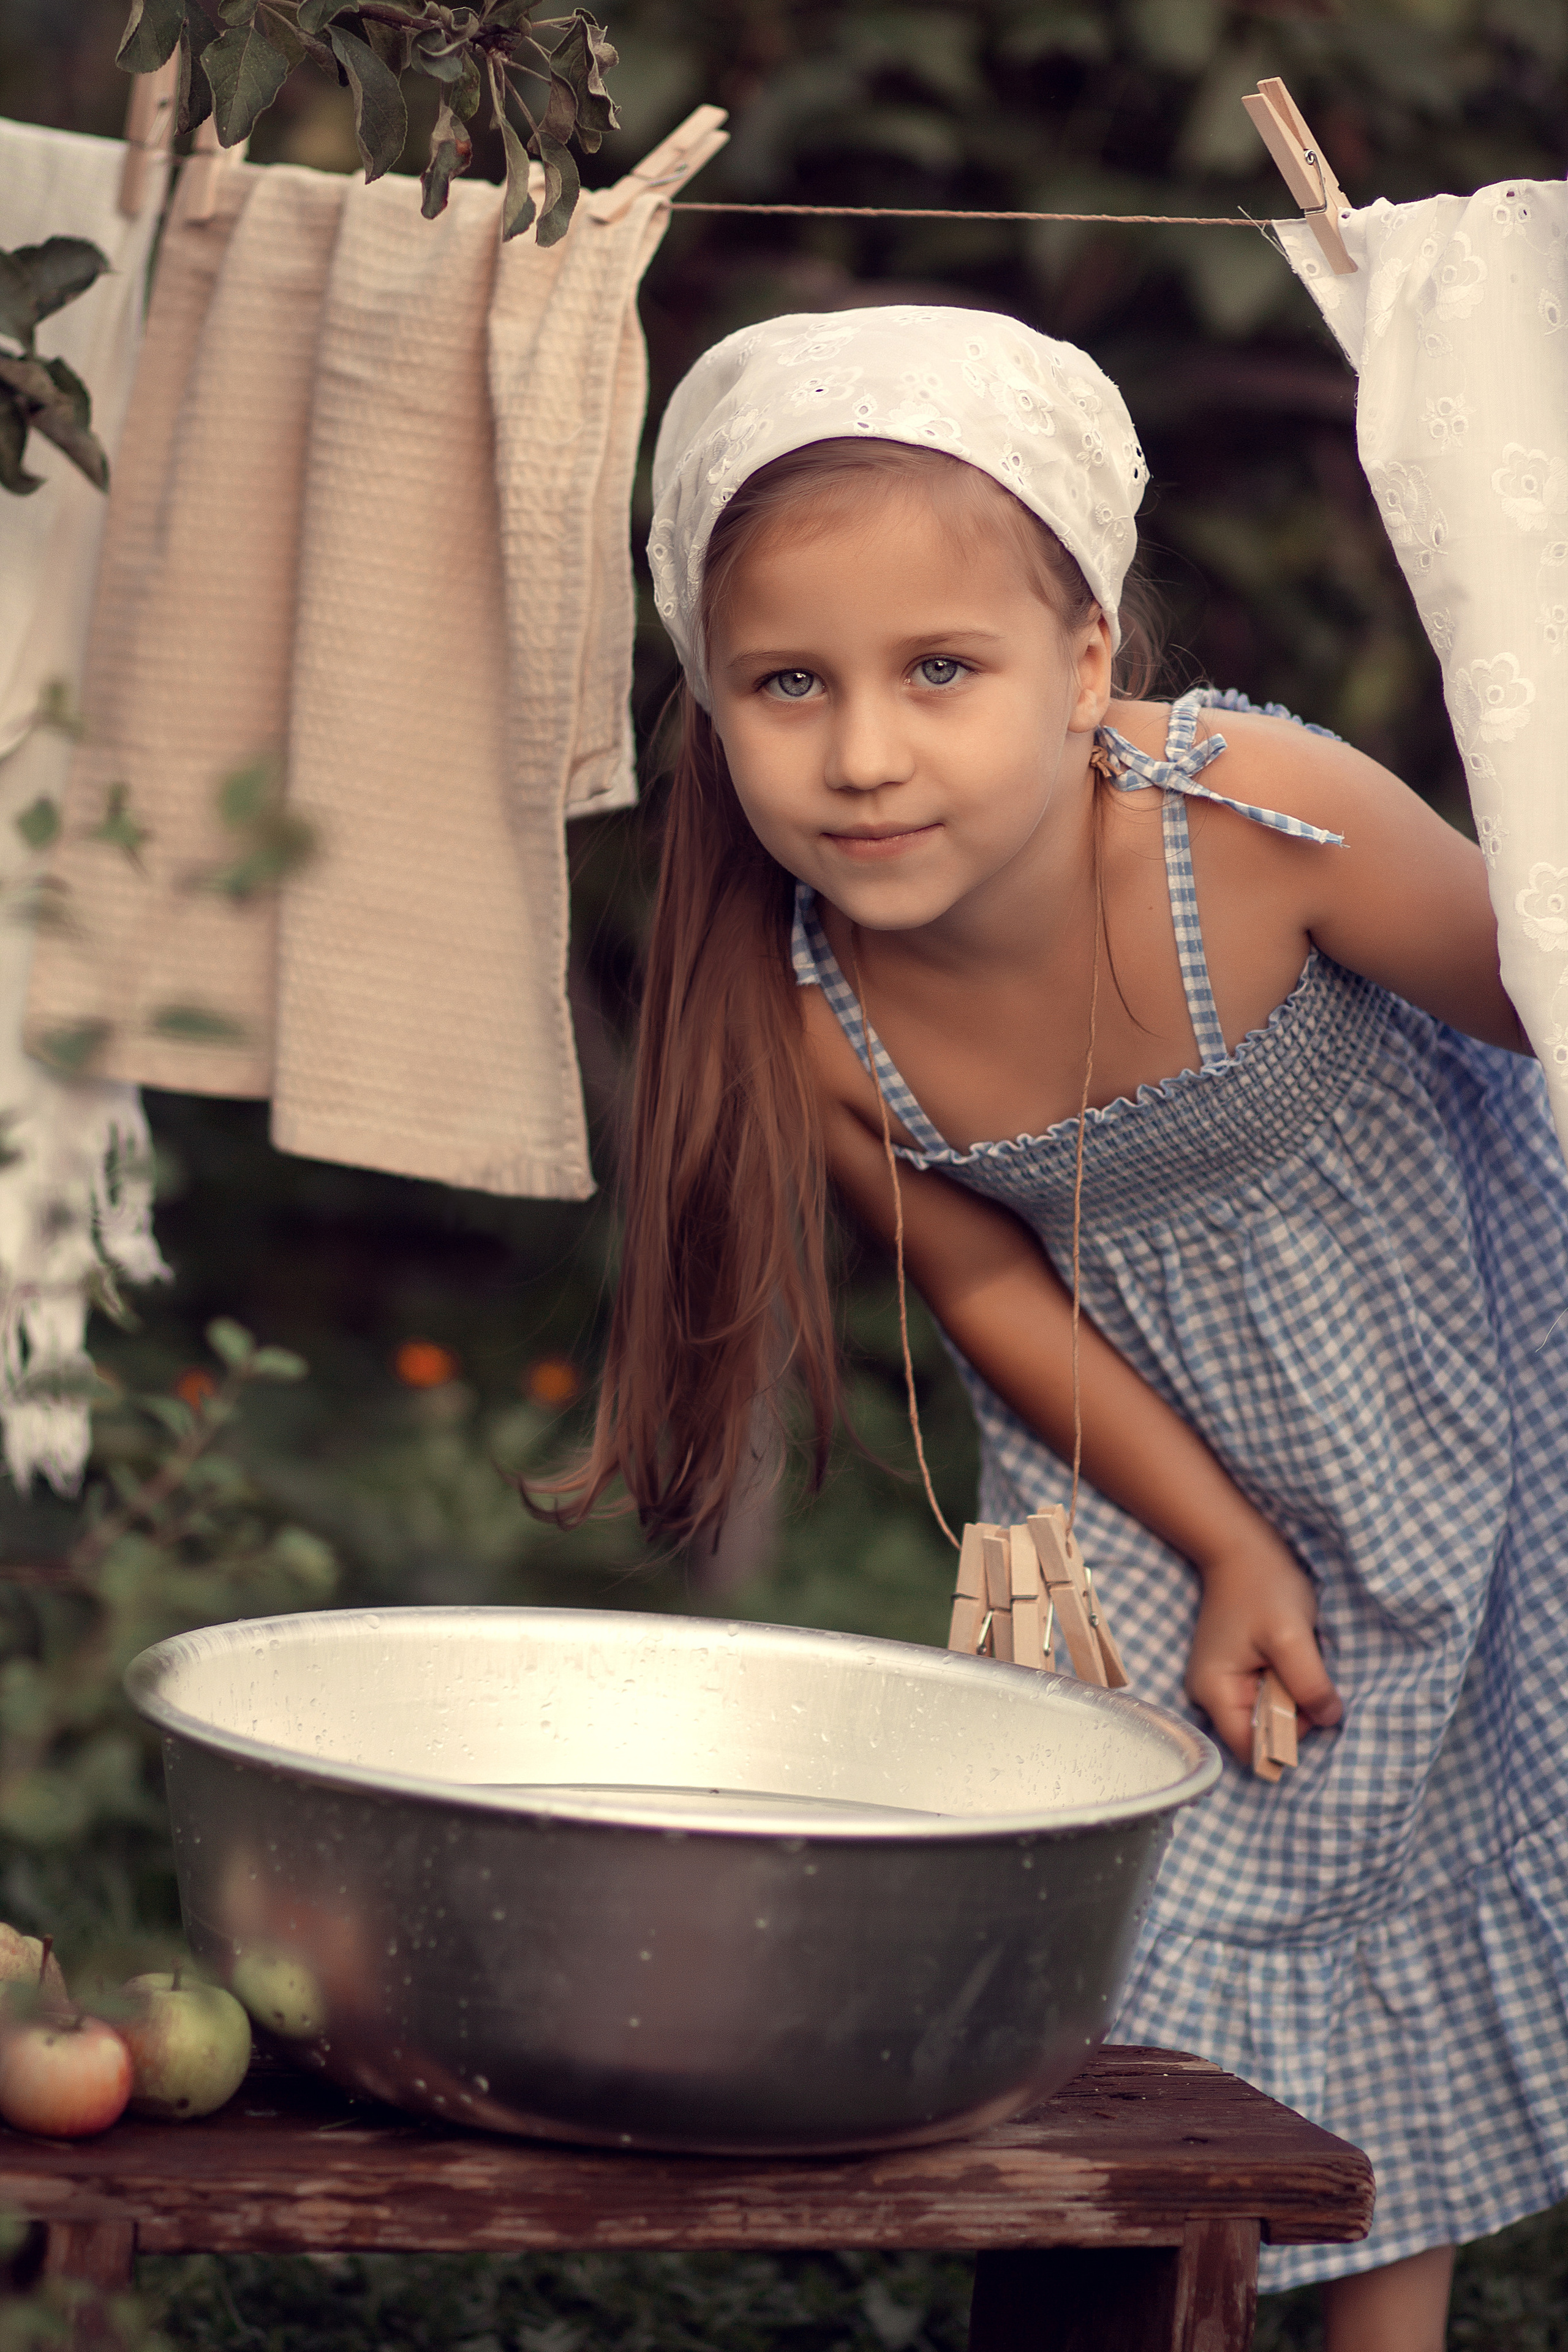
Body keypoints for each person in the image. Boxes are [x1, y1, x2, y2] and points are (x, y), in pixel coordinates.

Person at [547, 306, 1568, 2350]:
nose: (861, 753)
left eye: (941, 669)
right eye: (786, 685)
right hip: (1148, 1457)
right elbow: (989, 1273)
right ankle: (1110, 2305)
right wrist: (1225, 1540)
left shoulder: (1252, 824)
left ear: (1088, 658)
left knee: (1454, 1844)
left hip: (1495, 1384)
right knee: (1136, 1910)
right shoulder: (814, 1014)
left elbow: (1537, 992)